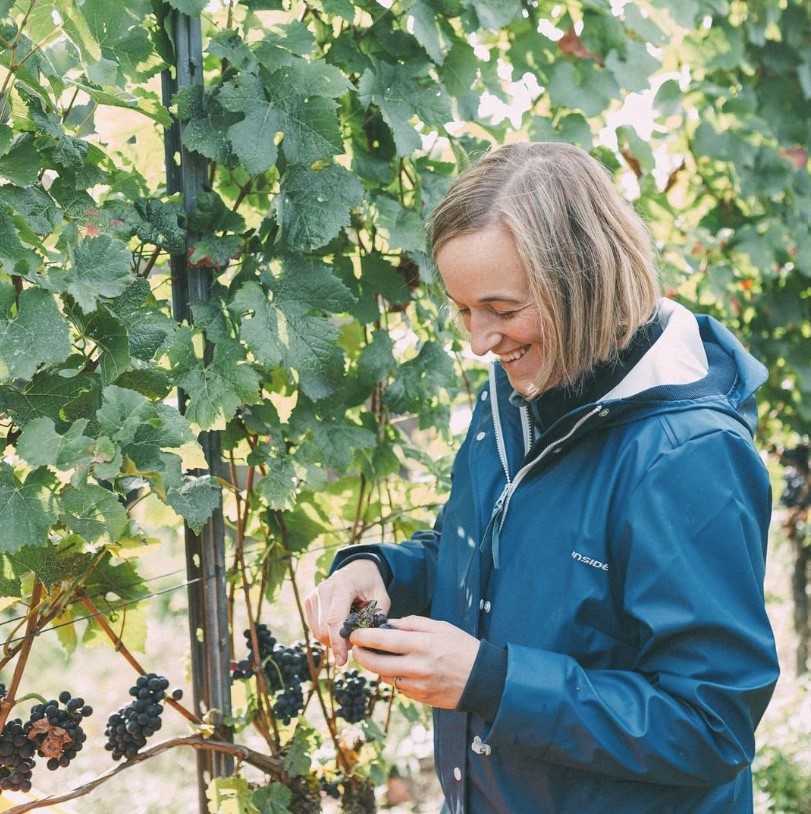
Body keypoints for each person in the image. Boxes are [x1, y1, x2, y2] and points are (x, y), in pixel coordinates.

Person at [304, 141, 779, 813]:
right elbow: (483, 552)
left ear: (582, 280)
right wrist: (382, 571)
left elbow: (709, 726)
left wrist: (493, 683)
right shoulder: (512, 398)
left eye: (502, 309)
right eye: (462, 308)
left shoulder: (686, 457)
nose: (478, 340)